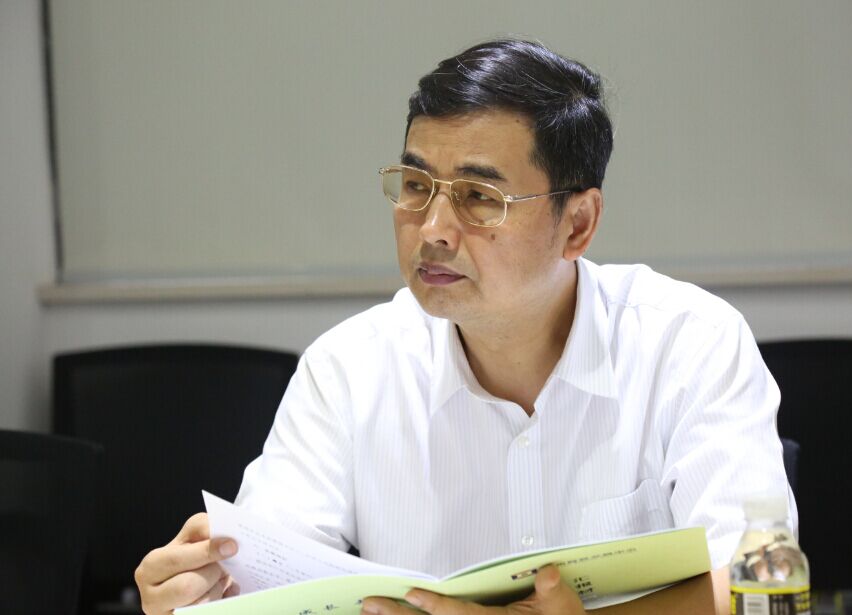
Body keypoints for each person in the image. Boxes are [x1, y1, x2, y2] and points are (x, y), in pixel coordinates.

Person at [135, 39, 796, 615]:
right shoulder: (348, 369)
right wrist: (206, 591)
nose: (433, 230)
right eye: (415, 185)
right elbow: (268, 575)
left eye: (479, 198)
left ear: (577, 224)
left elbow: (763, 583)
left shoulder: (688, 341)